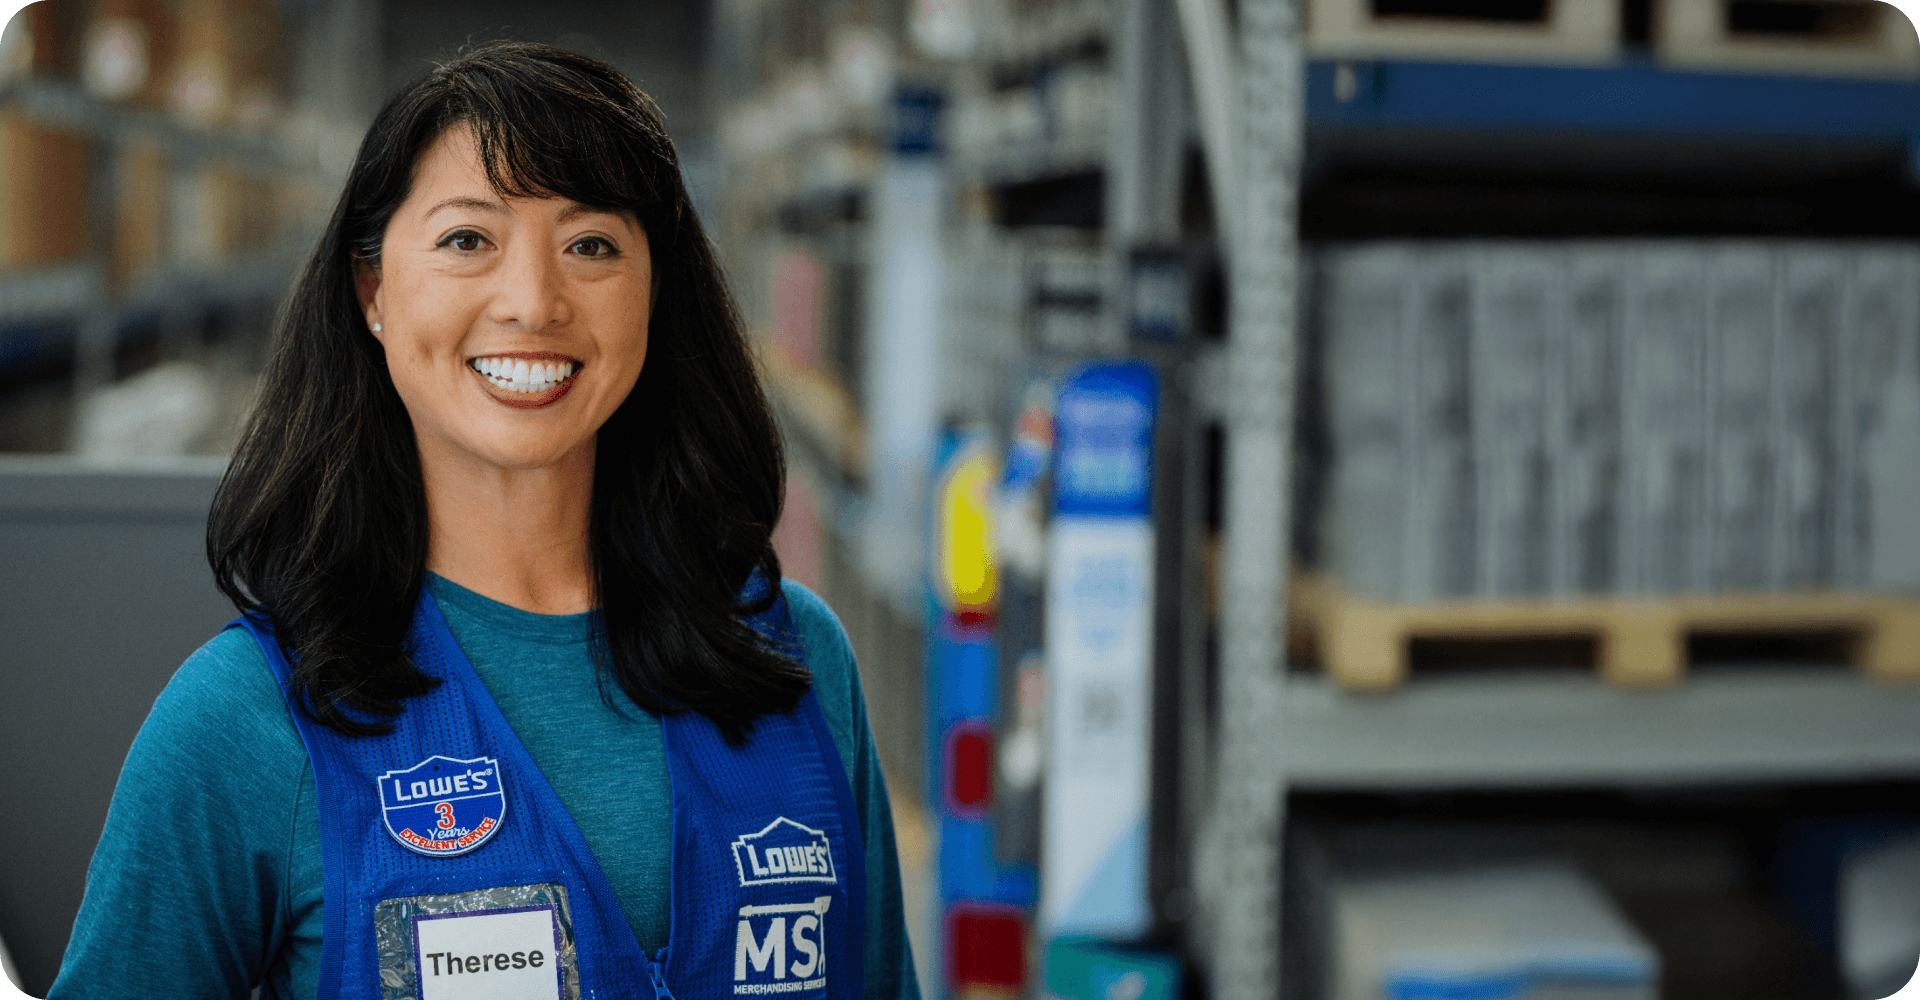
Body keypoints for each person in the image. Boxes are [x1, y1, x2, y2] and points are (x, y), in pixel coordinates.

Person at [50, 41, 919, 1000]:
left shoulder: (799, 666)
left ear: (654, 293)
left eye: (592, 244)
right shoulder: (247, 720)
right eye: (469, 240)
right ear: (374, 292)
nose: (534, 301)